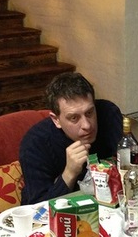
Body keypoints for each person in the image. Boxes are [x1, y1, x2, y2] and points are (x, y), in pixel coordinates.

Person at [19, 72, 122, 205]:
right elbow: (38, 207)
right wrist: (69, 173)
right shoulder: (35, 143)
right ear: (56, 120)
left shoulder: (109, 114)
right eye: (74, 118)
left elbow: (133, 165)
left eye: (89, 112)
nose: (87, 125)